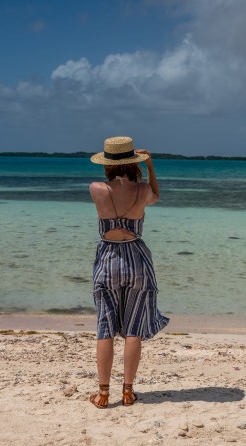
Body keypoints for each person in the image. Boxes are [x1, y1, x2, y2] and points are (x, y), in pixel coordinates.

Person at [88, 136, 170, 408]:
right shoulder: (143, 190)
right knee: (133, 328)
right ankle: (128, 391)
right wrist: (151, 166)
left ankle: (102, 394)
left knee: (105, 328)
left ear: (107, 163)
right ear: (133, 162)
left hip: (108, 258)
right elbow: (156, 197)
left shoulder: (96, 188)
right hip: (136, 258)